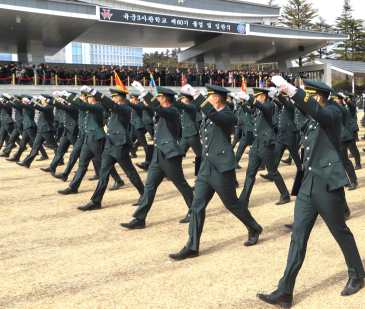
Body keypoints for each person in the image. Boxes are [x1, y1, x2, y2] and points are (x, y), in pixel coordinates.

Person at [257, 77, 365, 308]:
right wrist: (284, 94)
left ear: (317, 97)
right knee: (298, 236)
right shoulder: (313, 115)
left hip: (327, 183)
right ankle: (285, 291)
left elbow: (318, 111)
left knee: (340, 232)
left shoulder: (334, 112)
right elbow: (302, 109)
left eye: (310, 96)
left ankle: (357, 274)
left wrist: (291, 89)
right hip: (308, 183)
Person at [168, 84, 263, 260]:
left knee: (231, 203)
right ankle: (192, 246)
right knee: (197, 207)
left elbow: (212, 114)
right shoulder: (210, 115)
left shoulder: (227, 115)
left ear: (216, 99)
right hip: (206, 167)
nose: (207, 99)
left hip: (221, 167)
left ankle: (254, 227)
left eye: (209, 97)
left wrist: (196, 95)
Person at [120, 83, 194, 229]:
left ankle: (194, 211)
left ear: (165, 99)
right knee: (149, 187)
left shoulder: (172, 111)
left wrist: (144, 91)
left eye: (159, 97)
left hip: (170, 155)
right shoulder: (164, 112)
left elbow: (156, 107)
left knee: (181, 185)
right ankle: (140, 219)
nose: (158, 99)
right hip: (158, 155)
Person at [74, 87, 146, 211]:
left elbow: (111, 104)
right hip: (109, 144)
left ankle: (144, 195)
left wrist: (94, 92)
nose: (112, 99)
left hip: (119, 145)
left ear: (118, 99)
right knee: (103, 173)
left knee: (130, 172)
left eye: (113, 97)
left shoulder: (125, 108)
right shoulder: (113, 109)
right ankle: (96, 201)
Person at [237, 88, 291, 206]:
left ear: (262, 97)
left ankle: (285, 195)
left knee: (273, 172)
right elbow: (250, 111)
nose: (255, 99)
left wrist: (249, 98)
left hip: (266, 145)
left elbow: (264, 108)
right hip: (256, 144)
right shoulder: (257, 108)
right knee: (250, 173)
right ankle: (244, 199)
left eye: (257, 97)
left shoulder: (269, 106)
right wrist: (241, 102)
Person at [39, 94, 78, 175]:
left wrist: (49, 101)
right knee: (60, 150)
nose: (64, 99)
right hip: (66, 131)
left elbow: (64, 107)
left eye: (65, 98)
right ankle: (52, 167)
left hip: (72, 131)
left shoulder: (74, 106)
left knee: (79, 151)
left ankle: (94, 168)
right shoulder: (68, 105)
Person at [16, 95, 57, 168]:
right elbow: (40, 106)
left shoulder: (49, 107)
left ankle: (60, 160)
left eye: (42, 100)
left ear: (45, 101)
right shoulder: (45, 107)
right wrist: (37, 99)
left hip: (47, 130)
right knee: (35, 147)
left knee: (54, 146)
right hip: (41, 130)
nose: (41, 101)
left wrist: (30, 102)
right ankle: (27, 162)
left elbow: (39, 107)